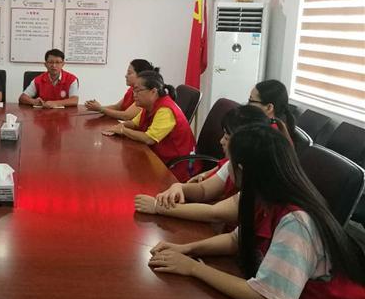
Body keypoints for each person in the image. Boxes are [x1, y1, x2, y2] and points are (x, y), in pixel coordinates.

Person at [148, 125, 365, 299]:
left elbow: (262, 297)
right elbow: (237, 240)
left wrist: (193, 268)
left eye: (230, 162)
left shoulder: (296, 223)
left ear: (241, 169)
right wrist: (188, 249)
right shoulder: (268, 197)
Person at [134, 105, 271, 225]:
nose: (221, 141)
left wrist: (158, 207)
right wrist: (180, 187)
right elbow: (204, 190)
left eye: (226, 137)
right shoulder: (235, 162)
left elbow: (214, 213)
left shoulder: (262, 180)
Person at [103, 70, 195, 181]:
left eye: (138, 91)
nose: (134, 95)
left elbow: (149, 139)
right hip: (156, 158)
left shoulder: (166, 110)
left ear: (153, 92)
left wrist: (123, 130)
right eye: (133, 90)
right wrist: (116, 127)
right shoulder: (149, 106)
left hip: (175, 169)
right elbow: (134, 123)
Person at [85, 59, 157, 120]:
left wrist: (100, 109)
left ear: (140, 76)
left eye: (129, 73)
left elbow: (126, 116)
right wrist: (96, 108)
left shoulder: (144, 94)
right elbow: (117, 107)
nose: (126, 76)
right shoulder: (131, 90)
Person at [248, 79, 296, 144]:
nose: (248, 104)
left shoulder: (268, 135)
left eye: (251, 100)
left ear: (269, 108)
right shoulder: (275, 123)